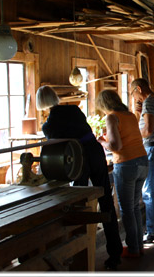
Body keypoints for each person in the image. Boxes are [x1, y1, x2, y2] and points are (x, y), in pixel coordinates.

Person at [36, 85, 123, 270]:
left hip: (80, 158)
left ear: (41, 103)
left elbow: (53, 143)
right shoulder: (74, 110)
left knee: (79, 204)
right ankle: (115, 253)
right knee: (105, 200)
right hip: (95, 151)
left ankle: (79, 255)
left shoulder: (50, 124)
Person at [96, 89, 149, 258]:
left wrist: (101, 142)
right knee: (134, 206)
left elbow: (116, 146)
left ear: (103, 104)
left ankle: (133, 248)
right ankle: (138, 246)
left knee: (127, 209)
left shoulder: (111, 117)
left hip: (126, 164)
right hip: (142, 161)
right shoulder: (130, 115)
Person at [130, 78, 154, 243]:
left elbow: (148, 129)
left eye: (133, 93)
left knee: (149, 192)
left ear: (139, 88)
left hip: (152, 148)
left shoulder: (149, 102)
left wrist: (131, 137)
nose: (134, 97)